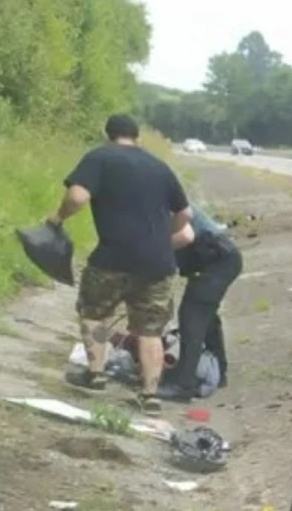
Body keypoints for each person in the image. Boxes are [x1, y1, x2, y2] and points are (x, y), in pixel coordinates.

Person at [48, 113, 195, 414]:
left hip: (112, 258)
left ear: (109, 135)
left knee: (94, 314)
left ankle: (96, 374)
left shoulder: (100, 157)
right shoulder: (159, 166)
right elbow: (186, 215)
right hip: (158, 263)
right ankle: (150, 394)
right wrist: (160, 237)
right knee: (150, 330)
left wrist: (58, 218)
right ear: (136, 136)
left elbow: (77, 197)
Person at [157, 208, 243, 402]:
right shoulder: (165, 196)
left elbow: (185, 236)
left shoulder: (160, 207)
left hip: (217, 259)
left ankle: (183, 385)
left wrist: (158, 248)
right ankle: (219, 372)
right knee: (207, 317)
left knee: (192, 316)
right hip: (221, 257)